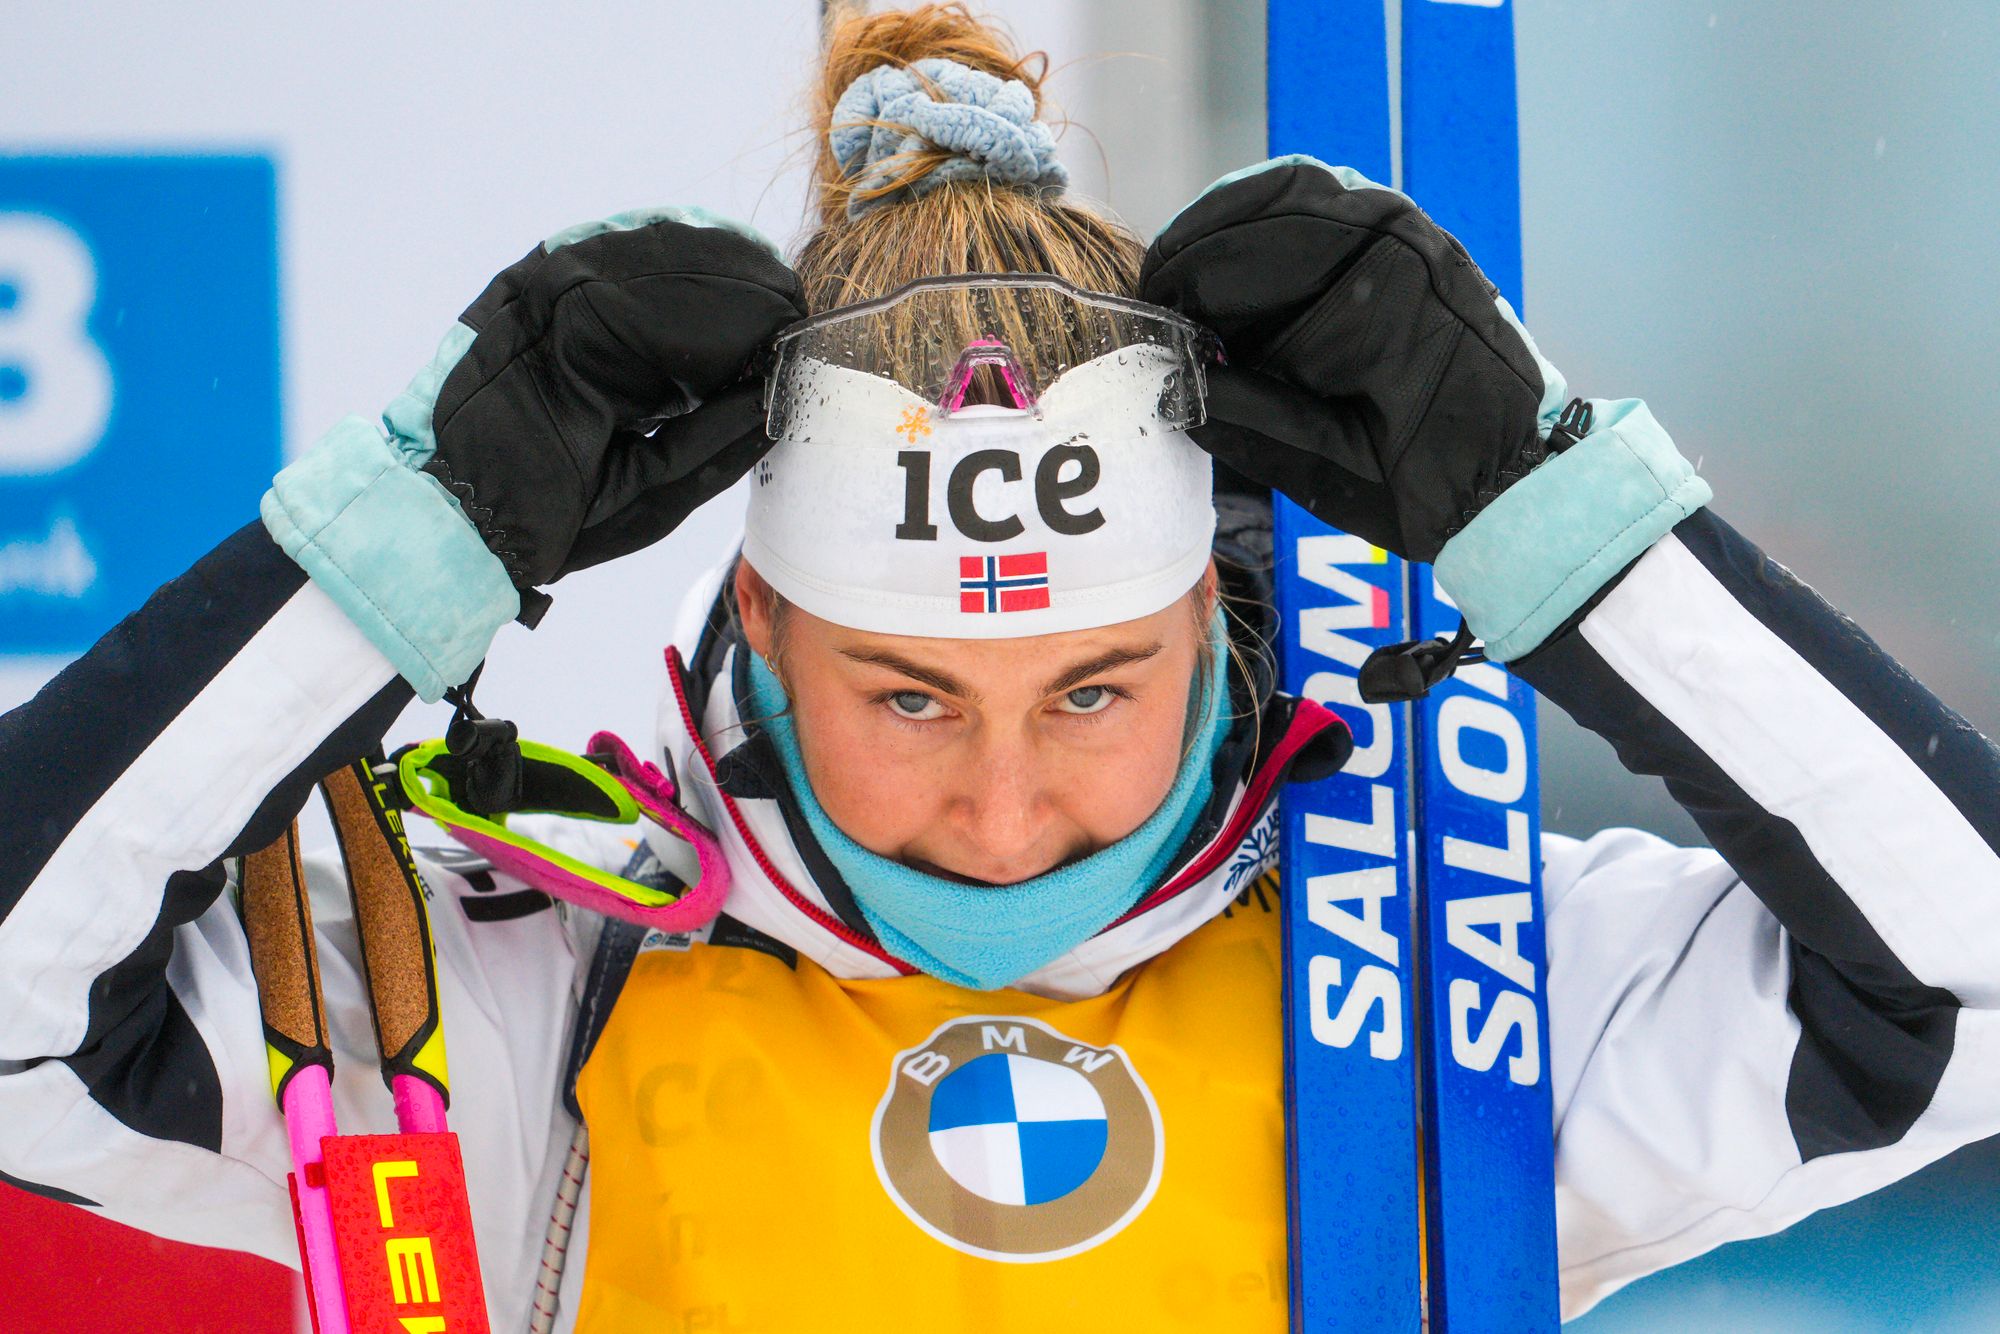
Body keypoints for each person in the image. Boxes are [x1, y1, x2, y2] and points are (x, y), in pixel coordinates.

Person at [2, 4, 1996, 1329]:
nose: (1005, 806)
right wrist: (401, 546)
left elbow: (1969, 986)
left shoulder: (1452, 977)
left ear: (1212, 624)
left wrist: (1558, 526)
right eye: (909, 694)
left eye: (1095, 688)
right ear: (764, 628)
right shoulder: (517, 989)